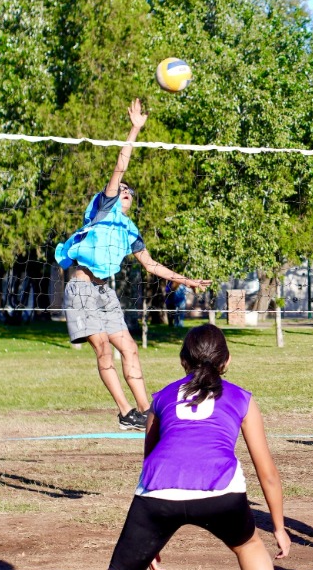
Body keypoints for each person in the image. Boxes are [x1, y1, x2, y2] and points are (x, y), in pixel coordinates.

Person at [17, 324, 298, 570]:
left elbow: (149, 460)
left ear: (182, 361)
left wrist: (151, 536)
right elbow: (267, 471)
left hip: (158, 495)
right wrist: (278, 526)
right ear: (226, 362)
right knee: (250, 546)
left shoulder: (162, 397)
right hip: (219, 491)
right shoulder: (241, 397)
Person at [54, 100, 210, 431]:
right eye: (122, 190)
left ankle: (146, 412)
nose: (126, 192)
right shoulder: (103, 209)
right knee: (103, 351)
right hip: (81, 288)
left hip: (103, 292)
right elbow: (120, 167)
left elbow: (151, 265)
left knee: (130, 348)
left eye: (129, 193)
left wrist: (187, 280)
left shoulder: (129, 229)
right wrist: (135, 129)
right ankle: (126, 412)